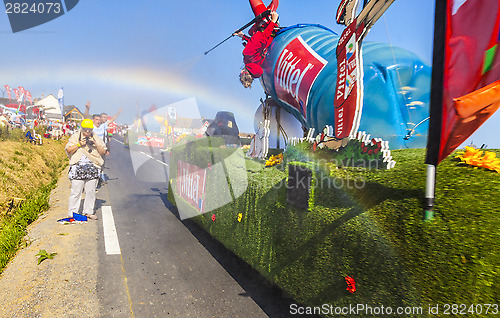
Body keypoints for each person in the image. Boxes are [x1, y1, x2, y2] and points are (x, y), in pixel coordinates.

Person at [65, 119, 107, 220]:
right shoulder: (76, 136)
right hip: (77, 168)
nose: (87, 132)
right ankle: (72, 213)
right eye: (85, 129)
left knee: (91, 191)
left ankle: (88, 212)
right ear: (81, 128)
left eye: (89, 130)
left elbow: (103, 151)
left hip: (92, 168)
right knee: (76, 191)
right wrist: (79, 144)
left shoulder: (95, 137)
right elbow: (68, 149)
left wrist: (95, 144)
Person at [236, 11, 279, 88]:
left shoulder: (256, 67)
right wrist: (273, 21)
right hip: (267, 28)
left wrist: (242, 36)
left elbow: (256, 45)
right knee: (251, 31)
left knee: (251, 33)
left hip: (271, 37)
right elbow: (262, 39)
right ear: (243, 72)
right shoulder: (247, 54)